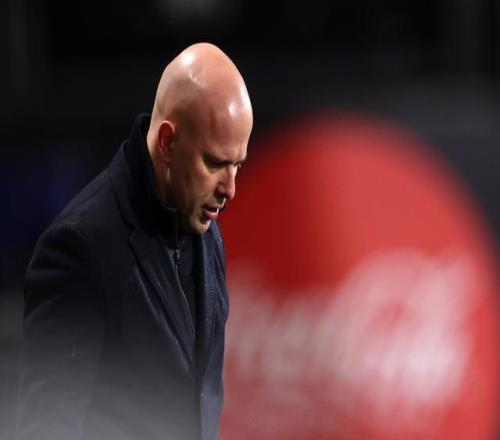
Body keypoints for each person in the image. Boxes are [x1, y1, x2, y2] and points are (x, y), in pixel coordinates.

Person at [16, 42, 253, 440]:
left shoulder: (207, 233)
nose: (230, 188)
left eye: (238, 165)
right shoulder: (78, 249)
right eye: (215, 163)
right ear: (167, 143)